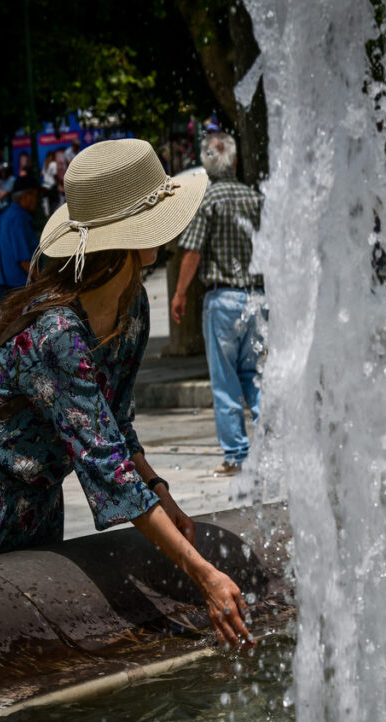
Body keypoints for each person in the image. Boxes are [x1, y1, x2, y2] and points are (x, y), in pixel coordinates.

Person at [0, 138, 253, 648]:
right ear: (123, 239)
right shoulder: (57, 333)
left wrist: (165, 497)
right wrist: (203, 575)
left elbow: (116, 423)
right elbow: (103, 463)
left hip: (38, 502)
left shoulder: (133, 305)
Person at [172, 132, 264, 477]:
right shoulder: (255, 198)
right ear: (236, 162)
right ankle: (277, 445)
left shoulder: (207, 200)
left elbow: (193, 251)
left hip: (223, 300)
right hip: (256, 298)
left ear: (207, 165)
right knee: (254, 377)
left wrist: (180, 293)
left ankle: (237, 456)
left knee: (225, 380)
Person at [0, 175, 42, 303]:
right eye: (36, 196)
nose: (38, 201)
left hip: (3, 290)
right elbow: (24, 259)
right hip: (20, 291)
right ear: (26, 196)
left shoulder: (2, 218)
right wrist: (43, 285)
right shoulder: (19, 218)